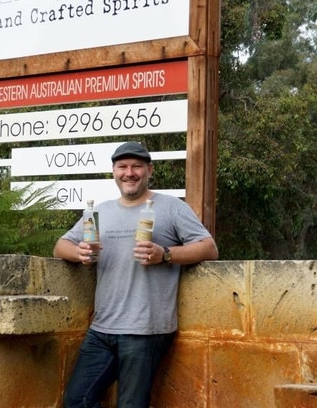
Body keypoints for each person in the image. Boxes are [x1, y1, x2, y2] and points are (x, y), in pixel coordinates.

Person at [54, 141, 218, 408]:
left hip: (145, 330)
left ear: (149, 170)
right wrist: (80, 253)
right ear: (114, 172)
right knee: (77, 399)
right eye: (123, 167)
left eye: (136, 167)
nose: (129, 173)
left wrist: (164, 254)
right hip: (102, 328)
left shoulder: (170, 207)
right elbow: (61, 246)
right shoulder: (99, 212)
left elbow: (209, 248)